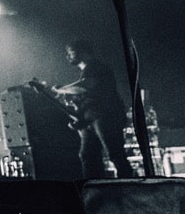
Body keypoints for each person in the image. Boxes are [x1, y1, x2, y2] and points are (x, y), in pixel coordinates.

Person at [53, 39, 135, 178]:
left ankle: (127, 184)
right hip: (90, 120)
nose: (68, 56)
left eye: (71, 52)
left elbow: (85, 85)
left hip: (105, 116)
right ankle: (95, 186)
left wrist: (61, 89)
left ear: (83, 52)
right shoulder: (86, 71)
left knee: (114, 153)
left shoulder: (96, 67)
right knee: (88, 155)